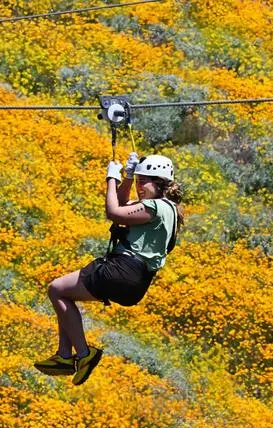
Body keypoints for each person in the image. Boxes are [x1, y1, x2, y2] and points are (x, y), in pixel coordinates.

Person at [35, 152, 184, 385]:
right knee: (63, 293)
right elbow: (124, 205)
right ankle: (64, 355)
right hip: (136, 283)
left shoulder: (155, 207)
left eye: (143, 181)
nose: (139, 186)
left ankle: (84, 355)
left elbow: (113, 212)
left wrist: (111, 179)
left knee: (56, 290)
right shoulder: (166, 210)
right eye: (138, 181)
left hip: (122, 270)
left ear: (159, 183)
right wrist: (127, 177)